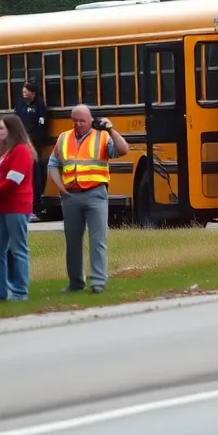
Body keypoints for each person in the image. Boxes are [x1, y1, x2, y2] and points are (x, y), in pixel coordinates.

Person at [47, 104, 129, 294]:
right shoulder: (63, 138)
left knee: (97, 239)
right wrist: (60, 187)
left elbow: (123, 149)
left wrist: (111, 128)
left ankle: (98, 282)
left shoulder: (102, 136)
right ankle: (75, 283)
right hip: (70, 195)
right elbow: (53, 164)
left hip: (95, 194)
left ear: (91, 120)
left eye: (82, 120)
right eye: (75, 120)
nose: (78, 124)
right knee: (72, 240)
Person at [0, 114, 35, 301]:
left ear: (12, 130)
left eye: (1, 128)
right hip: (0, 207)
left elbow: (13, 180)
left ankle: (20, 291)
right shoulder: (1, 151)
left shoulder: (21, 151)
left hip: (16, 206)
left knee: (18, 249)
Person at [15, 81, 50, 218]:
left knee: (35, 176)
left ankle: (36, 206)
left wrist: (33, 143)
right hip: (21, 144)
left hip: (34, 145)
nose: (24, 94)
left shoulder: (40, 107)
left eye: (26, 91)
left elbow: (42, 127)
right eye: (23, 91)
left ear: (33, 93)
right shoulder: (20, 104)